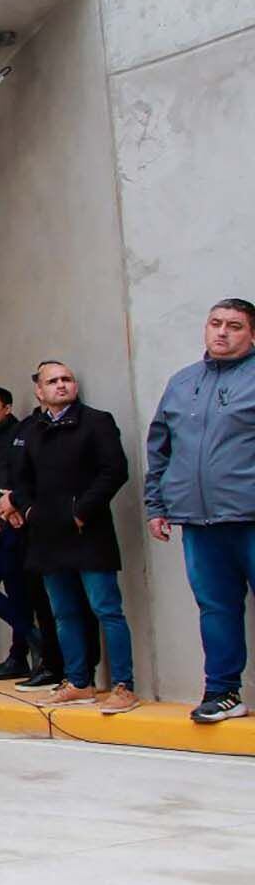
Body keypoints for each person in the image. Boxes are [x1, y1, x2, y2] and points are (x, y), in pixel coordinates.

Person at [8, 360, 140, 715]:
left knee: (106, 609)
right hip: (48, 537)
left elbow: (115, 471)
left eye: (67, 379)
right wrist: (31, 511)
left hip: (89, 532)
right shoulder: (30, 431)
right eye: (53, 381)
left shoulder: (97, 422)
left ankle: (124, 685)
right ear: (39, 390)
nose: (62, 385)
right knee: (63, 613)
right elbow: (19, 481)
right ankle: (78, 682)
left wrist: (81, 511)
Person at [145, 298, 255, 723]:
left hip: (249, 515)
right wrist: (157, 505)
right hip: (199, 521)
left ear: (251, 334)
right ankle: (223, 692)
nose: (222, 332)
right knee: (216, 608)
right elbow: (161, 447)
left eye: (234, 326)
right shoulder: (182, 382)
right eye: (215, 323)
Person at [0, 386, 60, 682]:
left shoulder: (19, 436)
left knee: (18, 593)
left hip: (16, 524)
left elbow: (15, 480)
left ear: (7, 408)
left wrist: (8, 510)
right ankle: (26, 645)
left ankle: (23, 652)